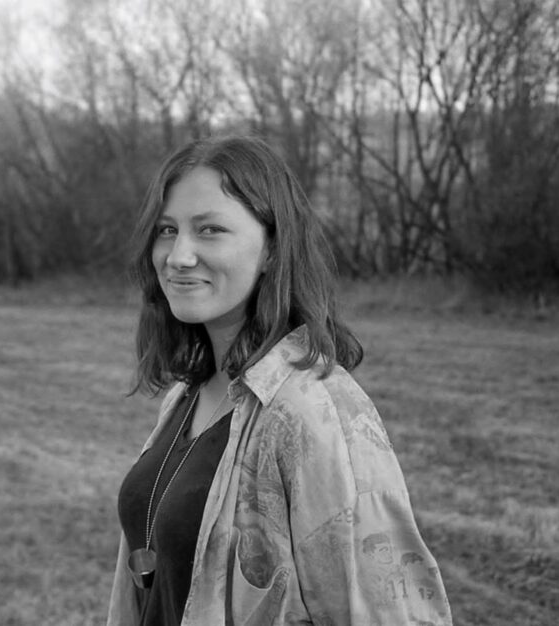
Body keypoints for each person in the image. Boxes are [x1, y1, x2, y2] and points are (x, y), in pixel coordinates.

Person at [108, 135, 452, 625]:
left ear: (272, 248)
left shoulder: (314, 413)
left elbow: (388, 610)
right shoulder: (188, 394)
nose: (179, 255)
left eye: (209, 230)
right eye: (167, 230)